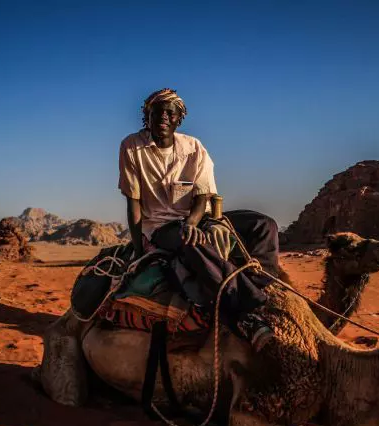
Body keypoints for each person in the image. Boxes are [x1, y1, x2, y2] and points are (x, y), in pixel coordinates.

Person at [118, 88, 280, 350]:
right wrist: (139, 251)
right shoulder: (132, 147)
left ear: (178, 119)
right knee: (192, 244)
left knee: (264, 225)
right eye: (156, 112)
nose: (163, 117)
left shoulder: (194, 147)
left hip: (196, 217)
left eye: (170, 113)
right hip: (160, 226)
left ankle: (262, 285)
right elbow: (133, 202)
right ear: (146, 117)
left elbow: (203, 196)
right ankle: (246, 309)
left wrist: (192, 223)